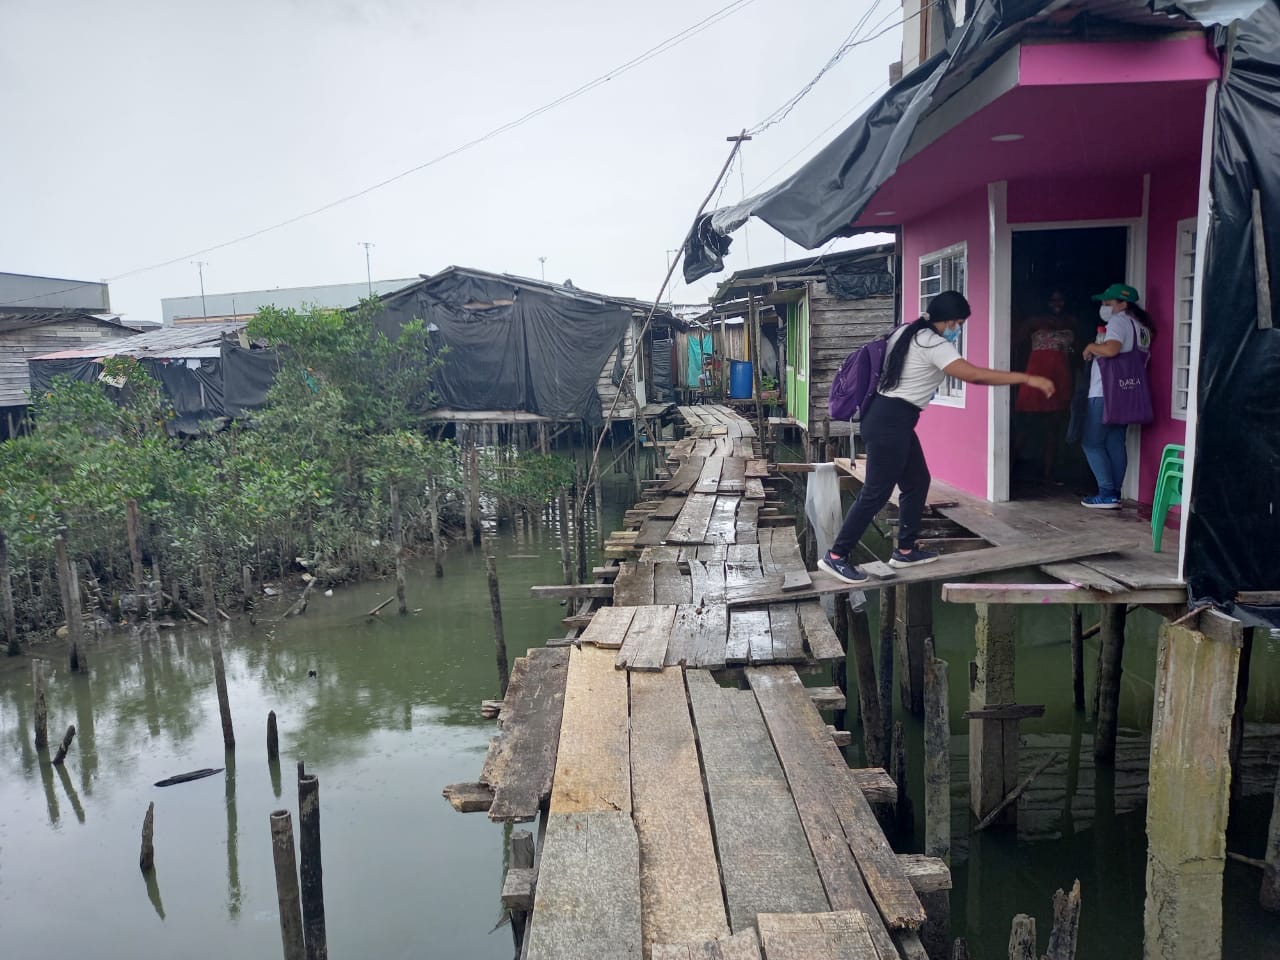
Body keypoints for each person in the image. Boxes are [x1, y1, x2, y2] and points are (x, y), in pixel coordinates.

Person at [817, 291, 1055, 584]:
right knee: (876, 492)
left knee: (917, 482)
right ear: (949, 320)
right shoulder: (933, 343)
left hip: (892, 419)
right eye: (959, 323)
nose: (959, 330)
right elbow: (974, 376)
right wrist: (1026, 378)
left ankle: (905, 549)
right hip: (890, 422)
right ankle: (837, 556)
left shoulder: (908, 331)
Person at [1079, 282, 1153, 509]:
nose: (1104, 306)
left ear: (1122, 303)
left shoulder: (1118, 322)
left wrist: (1091, 346)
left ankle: (1106, 492)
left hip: (1105, 393)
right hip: (1126, 393)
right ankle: (1115, 493)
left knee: (1091, 443)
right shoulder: (1141, 327)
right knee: (1114, 443)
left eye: (1108, 302)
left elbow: (1111, 350)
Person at [1013, 289, 1075, 482]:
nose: (1057, 303)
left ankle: (1049, 473)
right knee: (1025, 426)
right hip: (1035, 379)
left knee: (1054, 429)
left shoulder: (1072, 322)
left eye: (1061, 299)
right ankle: (1009, 471)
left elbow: (1078, 352)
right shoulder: (1033, 322)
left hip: (1060, 379)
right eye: (1052, 300)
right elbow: (1015, 343)